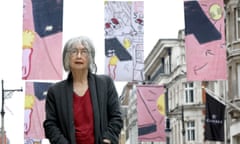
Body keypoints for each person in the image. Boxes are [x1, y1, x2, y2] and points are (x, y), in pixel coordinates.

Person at [43, 36, 123, 144]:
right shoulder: (55, 92)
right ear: (67, 57)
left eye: (84, 52)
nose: (79, 56)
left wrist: (107, 139)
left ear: (90, 57)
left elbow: (116, 117)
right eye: (74, 52)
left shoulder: (105, 84)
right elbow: (50, 125)